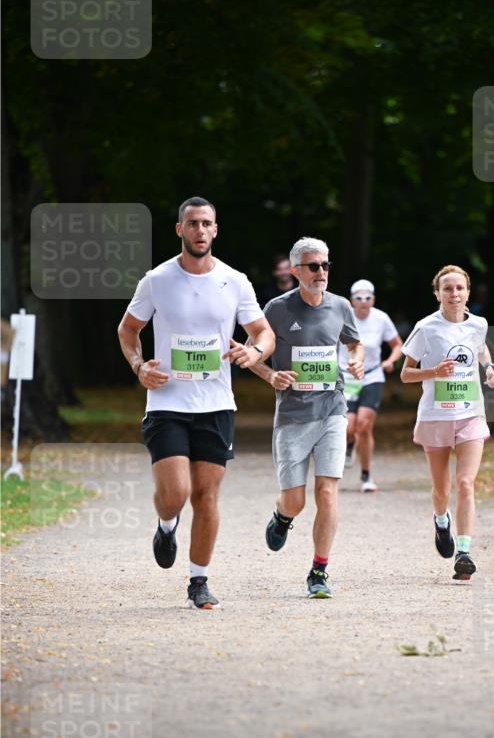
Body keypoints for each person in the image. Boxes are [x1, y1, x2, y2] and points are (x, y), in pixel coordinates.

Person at [117, 197, 275, 609]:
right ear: (180, 229)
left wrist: (254, 353)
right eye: (192, 223)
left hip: (216, 404)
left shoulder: (235, 281)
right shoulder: (157, 280)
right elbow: (128, 330)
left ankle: (198, 581)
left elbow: (264, 332)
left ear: (215, 230)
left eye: (206, 223)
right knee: (176, 492)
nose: (200, 230)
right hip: (167, 401)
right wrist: (138, 366)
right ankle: (166, 523)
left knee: (206, 496)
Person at [249, 236, 364, 598]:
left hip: (332, 409)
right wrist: (271, 375)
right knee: (295, 500)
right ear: (296, 271)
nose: (321, 272)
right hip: (293, 415)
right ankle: (283, 516)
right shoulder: (277, 309)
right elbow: (252, 353)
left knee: (327, 492)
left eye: (326, 265)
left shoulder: (340, 306)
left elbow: (354, 342)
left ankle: (319, 571)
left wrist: (356, 359)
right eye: (313, 266)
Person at [401, 264, 494, 580]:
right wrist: (434, 372)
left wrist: (489, 368)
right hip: (436, 417)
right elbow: (405, 374)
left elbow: (480, 349)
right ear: (438, 294)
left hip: (470, 415)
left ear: (467, 292)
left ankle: (464, 552)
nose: (454, 294)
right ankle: (441, 521)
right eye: (447, 288)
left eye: (459, 288)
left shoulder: (479, 324)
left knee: (466, 483)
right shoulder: (426, 327)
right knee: (442, 489)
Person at [339, 280, 402, 491]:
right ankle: (349, 443)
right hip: (347, 377)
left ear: (373, 300)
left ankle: (366, 476)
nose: (364, 302)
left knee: (364, 426)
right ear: (352, 300)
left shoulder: (381, 318)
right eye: (359, 298)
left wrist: (390, 361)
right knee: (348, 427)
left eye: (368, 298)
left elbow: (397, 345)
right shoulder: (342, 317)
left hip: (372, 375)